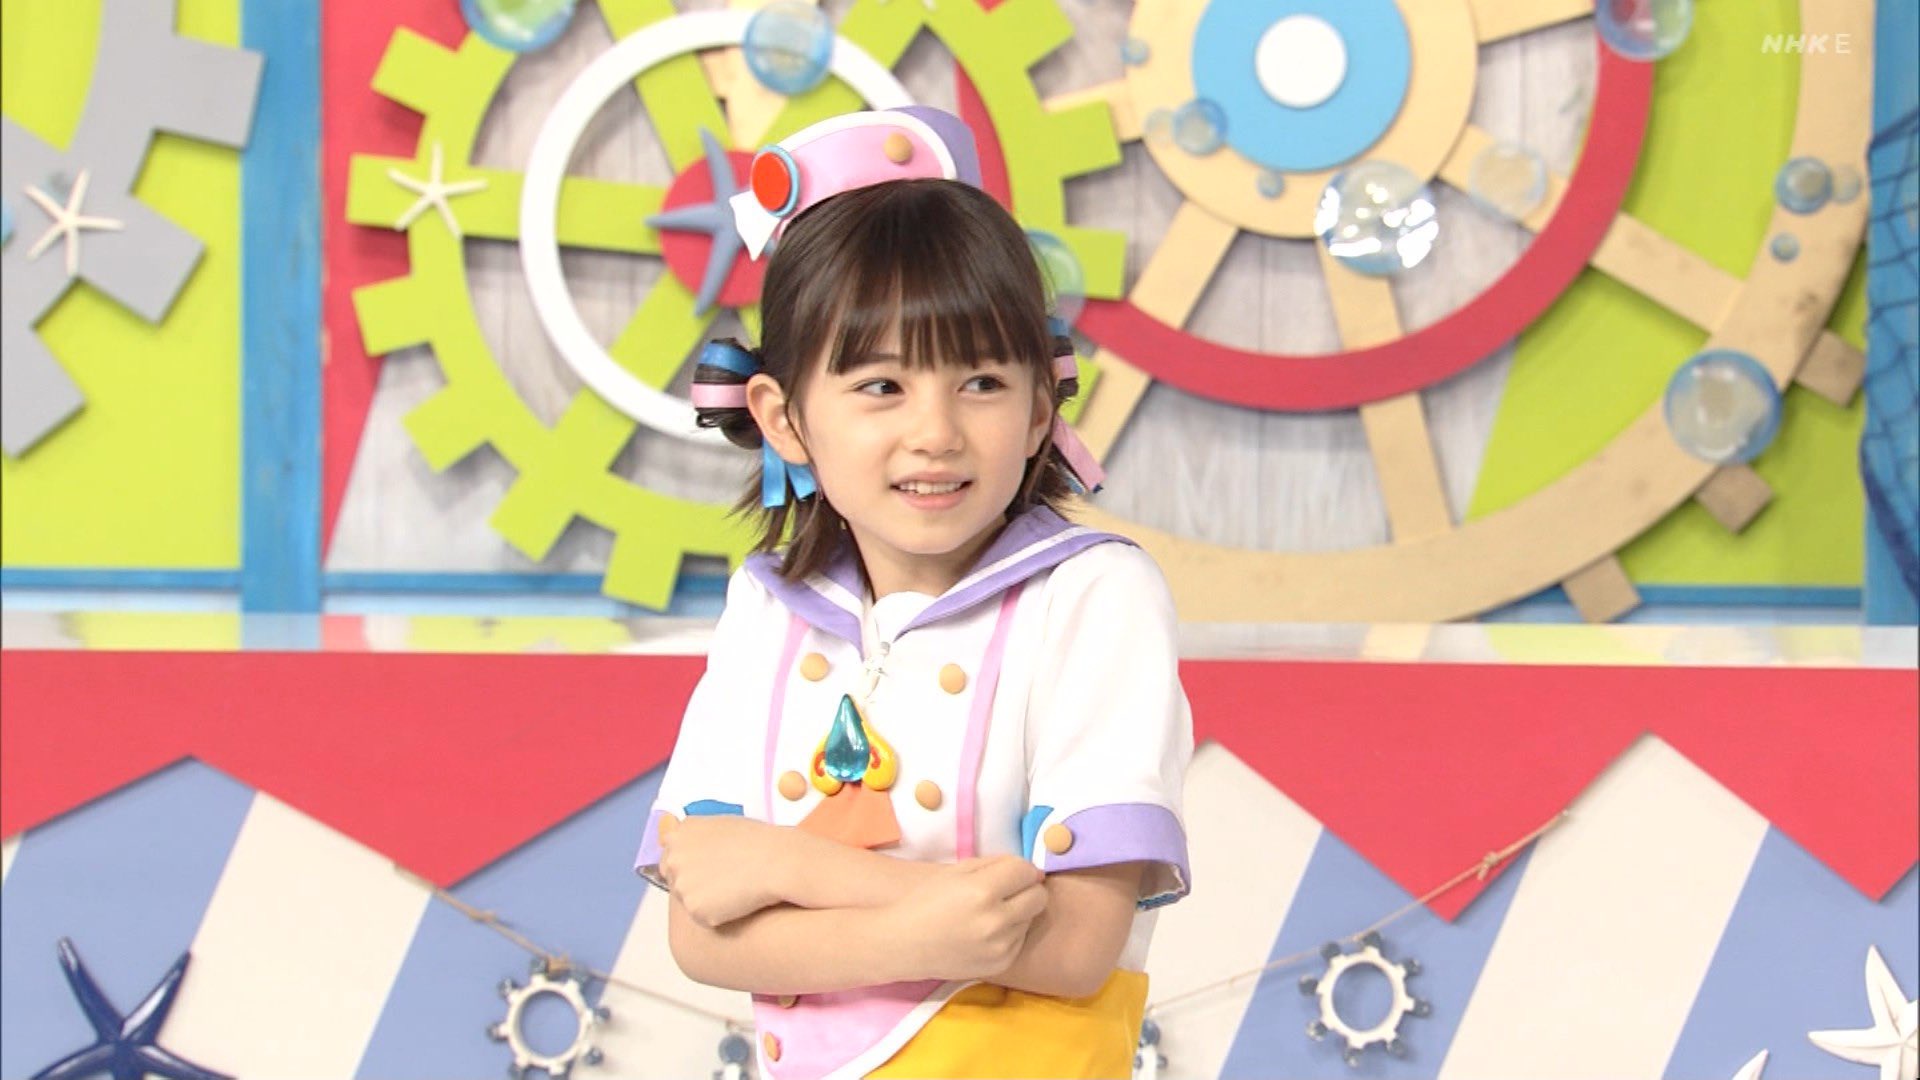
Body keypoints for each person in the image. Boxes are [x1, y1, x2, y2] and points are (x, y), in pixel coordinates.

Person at [633, 105, 1193, 1080]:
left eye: (981, 383)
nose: (935, 432)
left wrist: (787, 868)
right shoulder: (766, 607)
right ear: (783, 417)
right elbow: (699, 933)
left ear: (1040, 405)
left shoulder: (1094, 596)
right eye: (881, 387)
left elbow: (1073, 947)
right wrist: (944, 920)